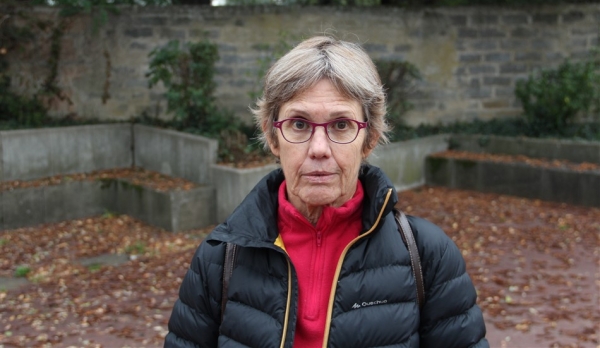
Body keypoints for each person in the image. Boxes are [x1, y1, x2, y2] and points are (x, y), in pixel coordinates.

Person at [164, 36, 488, 348]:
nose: (319, 148)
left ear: (370, 138)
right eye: (300, 124)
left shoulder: (428, 256)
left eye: (341, 125)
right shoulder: (219, 258)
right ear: (273, 137)